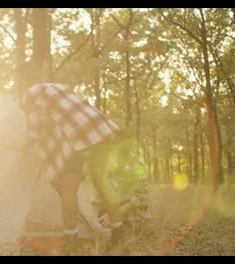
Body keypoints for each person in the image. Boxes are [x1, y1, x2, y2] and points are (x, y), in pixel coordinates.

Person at [21, 82, 151, 246]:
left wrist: (23, 144)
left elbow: (39, 128)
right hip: (94, 129)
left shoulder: (31, 96)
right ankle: (119, 236)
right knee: (102, 184)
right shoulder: (61, 90)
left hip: (72, 140)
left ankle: (71, 240)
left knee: (70, 189)